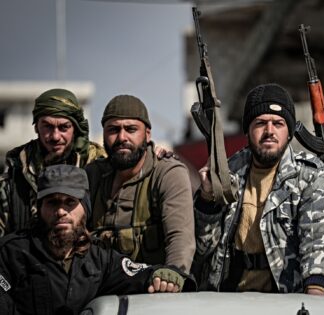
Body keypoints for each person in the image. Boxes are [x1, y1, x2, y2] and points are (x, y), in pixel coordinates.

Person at [193, 83, 324, 294]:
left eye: (278, 123)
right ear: (247, 130)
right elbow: (201, 249)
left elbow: (320, 239)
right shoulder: (229, 172)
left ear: (289, 131)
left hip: (287, 299)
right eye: (260, 123)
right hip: (227, 298)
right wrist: (207, 200)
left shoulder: (310, 175)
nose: (269, 131)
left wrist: (314, 294)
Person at [0, 164, 195, 315]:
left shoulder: (100, 260)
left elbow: (141, 274)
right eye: (52, 202)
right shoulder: (10, 254)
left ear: (85, 207)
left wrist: (165, 276)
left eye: (70, 202)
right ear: (40, 208)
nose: (60, 211)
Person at [86, 95, 195, 273]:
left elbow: (180, 239)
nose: (122, 137)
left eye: (131, 129)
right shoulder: (93, 175)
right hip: (102, 291)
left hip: (151, 292)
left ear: (147, 134)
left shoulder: (166, 173)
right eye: (113, 130)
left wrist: (173, 275)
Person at [0, 88, 106, 237]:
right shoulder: (15, 177)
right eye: (48, 126)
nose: (55, 136)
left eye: (63, 127)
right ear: (36, 127)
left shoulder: (98, 169)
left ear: (75, 128)